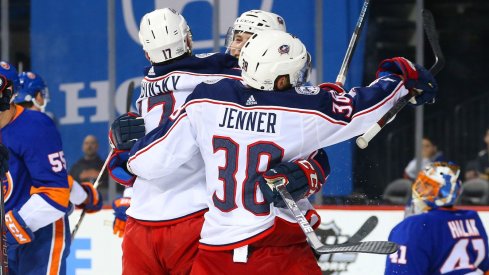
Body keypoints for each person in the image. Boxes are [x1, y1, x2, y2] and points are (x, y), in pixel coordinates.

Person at [126, 30, 437, 273]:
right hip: (273, 250)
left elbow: (147, 162)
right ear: (283, 76)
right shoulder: (302, 109)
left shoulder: (205, 99)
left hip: (214, 254)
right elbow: (365, 107)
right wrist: (400, 76)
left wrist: (127, 146)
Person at [0, 61, 71, 274]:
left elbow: (56, 194)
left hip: (42, 237)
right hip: (7, 241)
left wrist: (8, 229)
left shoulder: (35, 126)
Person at [15, 71, 102, 215]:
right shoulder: (40, 127)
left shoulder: (7, 128)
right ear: (38, 97)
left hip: (10, 219)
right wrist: (87, 197)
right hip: (39, 220)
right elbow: (57, 182)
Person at [385, 162, 489, 274]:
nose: (419, 190)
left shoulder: (414, 227)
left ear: (443, 193)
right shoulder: (471, 218)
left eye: (427, 185)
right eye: (419, 184)